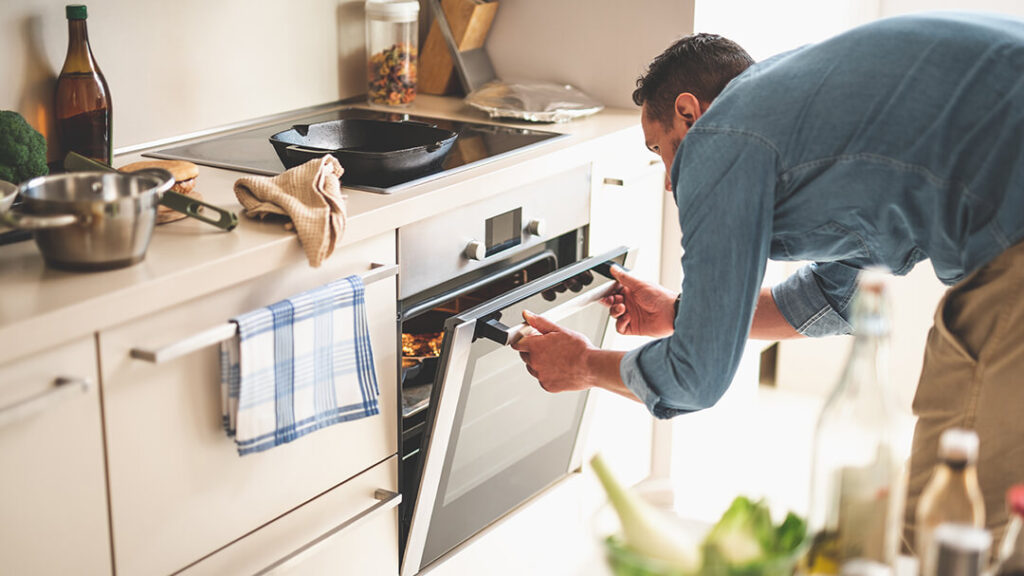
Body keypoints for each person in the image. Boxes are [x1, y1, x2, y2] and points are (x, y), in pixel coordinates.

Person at [511, 12, 1024, 550]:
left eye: (659, 151)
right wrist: (682, 314)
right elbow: (836, 297)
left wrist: (583, 365)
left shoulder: (720, 136)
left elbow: (696, 377)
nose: (668, 182)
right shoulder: (811, 115)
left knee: (940, 524)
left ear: (689, 114)